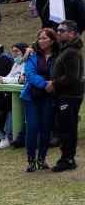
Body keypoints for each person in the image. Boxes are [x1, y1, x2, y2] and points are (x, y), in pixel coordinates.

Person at [21, 27, 57, 172]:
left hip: (49, 97)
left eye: (44, 38)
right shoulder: (32, 54)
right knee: (32, 128)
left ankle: (42, 159)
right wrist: (45, 84)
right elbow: (29, 74)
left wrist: (54, 84)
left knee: (46, 129)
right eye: (39, 38)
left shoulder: (58, 55)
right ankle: (31, 160)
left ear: (52, 40)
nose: (41, 41)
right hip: (32, 96)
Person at [50, 20, 82, 172]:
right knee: (64, 127)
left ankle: (68, 159)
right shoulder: (65, 49)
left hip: (70, 95)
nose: (58, 32)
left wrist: (53, 84)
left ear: (72, 33)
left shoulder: (72, 52)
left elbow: (72, 77)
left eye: (62, 30)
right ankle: (67, 157)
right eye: (58, 30)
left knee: (68, 129)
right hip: (65, 95)